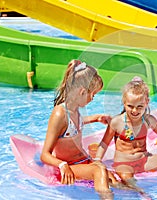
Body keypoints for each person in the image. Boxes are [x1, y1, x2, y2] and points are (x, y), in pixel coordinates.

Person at [40, 59, 118, 197]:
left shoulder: (75, 110)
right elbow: (45, 154)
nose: (93, 99)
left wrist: (96, 118)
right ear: (82, 92)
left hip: (84, 160)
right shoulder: (59, 113)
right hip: (71, 166)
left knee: (113, 178)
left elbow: (72, 126)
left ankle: (137, 195)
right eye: (92, 94)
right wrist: (62, 165)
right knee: (99, 171)